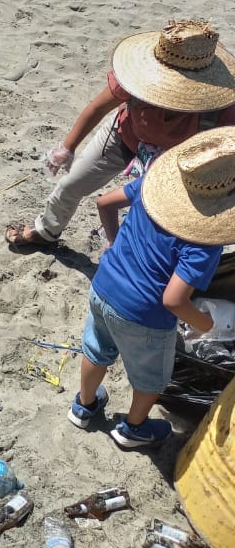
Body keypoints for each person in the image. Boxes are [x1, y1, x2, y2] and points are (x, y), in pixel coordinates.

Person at [68, 127, 235, 449]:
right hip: (144, 316)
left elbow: (104, 203)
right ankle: (133, 429)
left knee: (96, 349)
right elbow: (173, 300)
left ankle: (84, 406)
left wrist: (113, 242)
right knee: (151, 378)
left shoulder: (151, 188)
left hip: (103, 287)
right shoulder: (203, 244)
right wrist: (207, 325)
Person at [5, 19, 235, 251]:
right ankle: (46, 231)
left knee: (155, 219)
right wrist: (67, 148)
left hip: (173, 164)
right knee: (70, 186)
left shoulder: (223, 107)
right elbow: (97, 108)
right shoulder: (140, 75)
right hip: (123, 137)